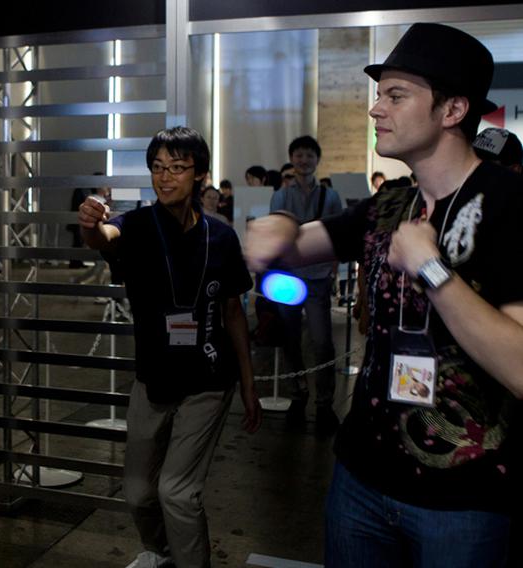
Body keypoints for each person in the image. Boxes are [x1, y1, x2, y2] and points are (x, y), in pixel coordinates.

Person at [245, 23, 523, 567]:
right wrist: (276, 225)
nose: (376, 110)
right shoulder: (389, 203)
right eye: (379, 95)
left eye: (396, 96)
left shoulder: (511, 205)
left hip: (464, 497)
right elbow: (297, 246)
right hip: (360, 478)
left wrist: (432, 271)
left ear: (453, 111)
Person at [78, 126, 261, 568]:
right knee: (139, 492)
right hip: (153, 379)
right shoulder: (138, 225)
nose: (165, 177)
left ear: (199, 174)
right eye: (158, 168)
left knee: (177, 491)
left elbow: (234, 311)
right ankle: (162, 553)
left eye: (177, 168)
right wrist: (91, 224)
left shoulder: (220, 237)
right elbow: (106, 238)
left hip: (208, 380)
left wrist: (249, 384)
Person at [269, 135, 343, 433]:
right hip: (287, 277)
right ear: (291, 158)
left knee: (322, 342)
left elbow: (337, 234)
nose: (303, 160)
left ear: (317, 159)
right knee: (290, 341)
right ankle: (297, 396)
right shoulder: (281, 196)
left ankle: (324, 405)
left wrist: (333, 267)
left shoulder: (331, 196)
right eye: (298, 155)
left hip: (317, 277)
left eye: (309, 155)